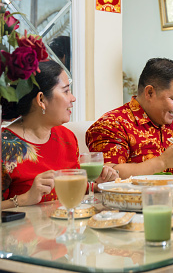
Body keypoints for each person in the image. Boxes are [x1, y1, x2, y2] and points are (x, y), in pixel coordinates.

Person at [1, 60, 118, 209]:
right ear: (41, 99)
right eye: (66, 91)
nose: (73, 98)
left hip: (68, 228)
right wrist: (25, 199)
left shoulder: (67, 138)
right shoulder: (5, 146)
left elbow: (71, 192)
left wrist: (96, 184)